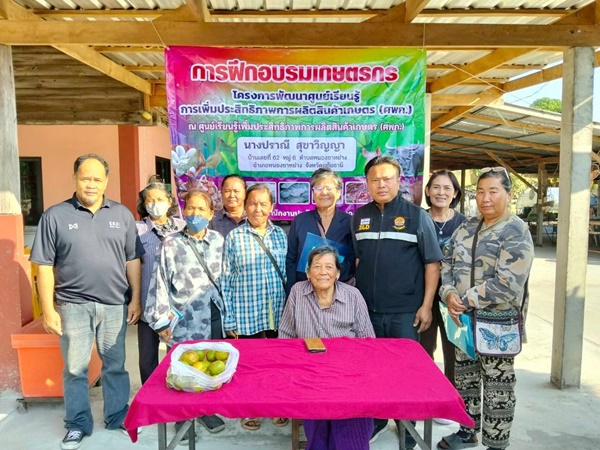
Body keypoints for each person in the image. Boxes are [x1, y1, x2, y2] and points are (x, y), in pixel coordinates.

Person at [30, 154, 144, 450]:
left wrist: (135, 299)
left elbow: (133, 259)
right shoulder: (55, 216)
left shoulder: (122, 215)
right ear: (74, 179)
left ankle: (117, 415)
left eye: (97, 179)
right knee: (75, 368)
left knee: (115, 365)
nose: (91, 184)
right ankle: (77, 424)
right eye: (85, 178)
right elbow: (44, 266)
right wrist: (49, 310)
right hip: (73, 305)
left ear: (106, 181)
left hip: (114, 304)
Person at [437, 167, 534, 450]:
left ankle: (496, 444)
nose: (485, 198)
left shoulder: (516, 230)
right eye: (480, 192)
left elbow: (508, 283)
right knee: (465, 379)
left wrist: (464, 299)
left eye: (493, 191)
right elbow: (446, 262)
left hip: (498, 324)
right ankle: (467, 431)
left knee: (497, 386)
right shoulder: (467, 226)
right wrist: (448, 292)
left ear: (508, 194)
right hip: (463, 320)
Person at [351, 155, 444, 446]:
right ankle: (378, 420)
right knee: (372, 371)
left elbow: (432, 264)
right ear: (367, 183)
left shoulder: (416, 216)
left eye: (387, 178)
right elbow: (358, 260)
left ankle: (407, 428)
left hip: (405, 312)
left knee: (405, 373)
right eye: (375, 179)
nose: (381, 184)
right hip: (368, 312)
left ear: (398, 181)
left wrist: (426, 306)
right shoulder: (359, 217)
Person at [145, 189, 236, 439]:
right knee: (184, 369)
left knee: (210, 364)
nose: (195, 213)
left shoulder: (218, 241)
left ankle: (206, 410)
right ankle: (182, 417)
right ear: (184, 211)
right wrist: (160, 319)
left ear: (211, 213)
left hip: (213, 315)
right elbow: (159, 281)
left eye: (201, 209)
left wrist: (230, 318)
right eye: (191, 208)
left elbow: (227, 281)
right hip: (184, 319)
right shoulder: (170, 243)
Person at [279, 245, 375, 449]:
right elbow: (286, 335)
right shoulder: (297, 292)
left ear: (338, 273)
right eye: (317, 266)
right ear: (308, 272)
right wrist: (291, 373)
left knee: (351, 428)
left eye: (329, 267)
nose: (323, 272)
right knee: (317, 427)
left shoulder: (353, 295)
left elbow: (368, 341)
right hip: (309, 373)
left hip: (347, 373)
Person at [221, 183, 288, 431]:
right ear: (245, 206)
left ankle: (276, 406)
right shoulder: (234, 237)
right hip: (246, 315)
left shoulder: (280, 235)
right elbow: (225, 280)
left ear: (272, 207)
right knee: (249, 366)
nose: (257, 209)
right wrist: (229, 318)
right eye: (252, 203)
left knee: (276, 364)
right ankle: (251, 409)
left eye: (263, 204)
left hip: (277, 314)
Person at [420, 170, 466, 391]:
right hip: (422, 298)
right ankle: (426, 395)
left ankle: (451, 397)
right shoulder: (418, 219)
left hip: (453, 299)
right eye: (436, 187)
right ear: (428, 191)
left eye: (447, 188)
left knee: (454, 352)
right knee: (423, 351)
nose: (441, 192)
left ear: (455, 193)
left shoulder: (465, 224)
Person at [135, 182, 185, 384]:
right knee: (147, 361)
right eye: (150, 200)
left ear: (169, 201)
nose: (155, 204)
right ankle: (150, 398)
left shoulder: (182, 227)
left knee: (178, 356)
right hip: (148, 305)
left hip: (177, 307)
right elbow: (132, 266)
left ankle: (176, 395)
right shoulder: (137, 230)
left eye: (160, 199)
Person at [286, 168, 355, 292]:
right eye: (318, 188)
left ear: (338, 193)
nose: (324, 192)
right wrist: (293, 291)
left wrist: (331, 277)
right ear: (313, 193)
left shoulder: (349, 222)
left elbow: (352, 258)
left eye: (329, 188)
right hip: (305, 291)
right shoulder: (300, 221)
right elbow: (291, 259)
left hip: (338, 290)